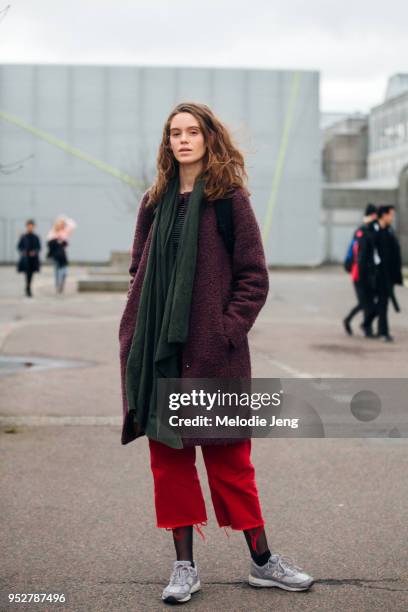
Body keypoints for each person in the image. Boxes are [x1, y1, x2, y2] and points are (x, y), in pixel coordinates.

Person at [118, 102, 314, 604]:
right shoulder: (153, 201)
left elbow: (254, 276)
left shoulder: (230, 200)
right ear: (168, 143)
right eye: (174, 133)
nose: (182, 140)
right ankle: (184, 567)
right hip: (158, 356)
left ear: (208, 138)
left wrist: (225, 331)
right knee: (170, 463)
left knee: (230, 462)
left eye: (192, 132)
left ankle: (263, 561)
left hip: (214, 355)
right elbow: (139, 270)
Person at [343, 204, 380, 337]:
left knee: (366, 302)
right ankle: (364, 327)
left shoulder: (368, 230)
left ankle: (360, 324)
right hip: (360, 273)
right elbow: (362, 256)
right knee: (366, 303)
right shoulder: (363, 231)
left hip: (366, 273)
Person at [371, 205, 403, 342]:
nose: (392, 217)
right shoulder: (376, 232)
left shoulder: (388, 230)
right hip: (380, 275)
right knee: (382, 304)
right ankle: (383, 331)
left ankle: (376, 327)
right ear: (383, 215)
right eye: (390, 215)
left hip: (389, 275)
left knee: (382, 304)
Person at [46, 215, 77, 294]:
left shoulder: (65, 231)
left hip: (63, 255)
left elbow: (73, 224)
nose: (61, 225)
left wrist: (64, 220)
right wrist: (57, 239)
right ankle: (58, 285)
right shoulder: (52, 232)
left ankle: (61, 284)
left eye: (62, 224)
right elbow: (49, 243)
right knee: (57, 271)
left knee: (64, 272)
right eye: (60, 223)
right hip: (56, 255)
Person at [16, 219, 41, 298]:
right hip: (26, 259)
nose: (30, 228)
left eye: (31, 226)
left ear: (33, 227)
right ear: (27, 227)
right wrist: (23, 252)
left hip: (33, 259)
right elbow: (19, 247)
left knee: (31, 274)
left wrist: (34, 252)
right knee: (27, 274)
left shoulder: (36, 237)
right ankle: (28, 288)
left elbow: (39, 247)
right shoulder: (23, 237)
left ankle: (28, 287)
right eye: (29, 226)